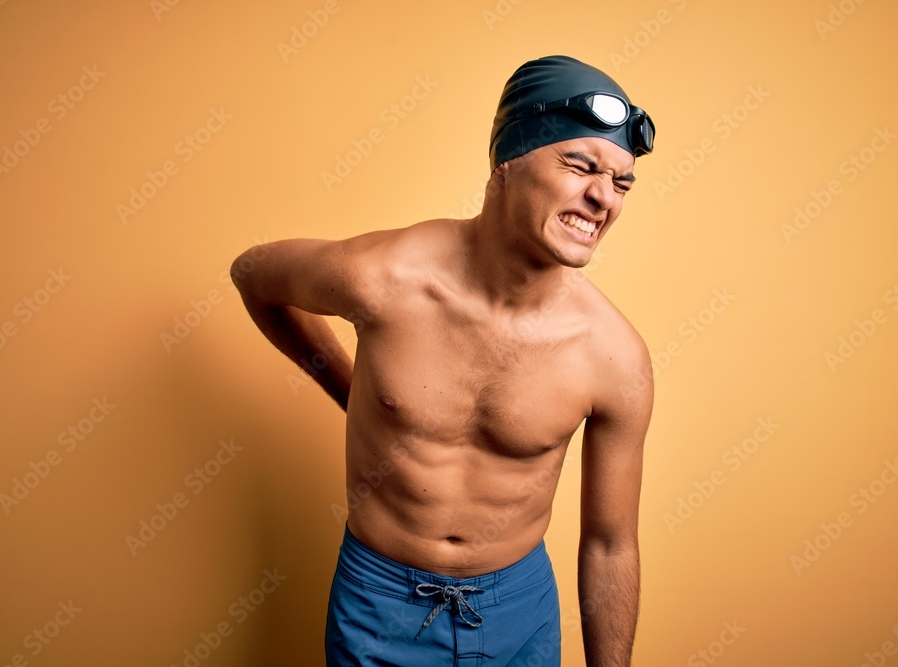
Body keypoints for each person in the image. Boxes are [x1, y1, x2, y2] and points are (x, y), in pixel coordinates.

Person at [231, 54, 656, 667]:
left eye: (621, 183)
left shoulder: (614, 357)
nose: (602, 198)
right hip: (379, 604)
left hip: (519, 611)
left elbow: (611, 546)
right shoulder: (385, 278)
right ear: (507, 161)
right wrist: (349, 389)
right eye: (581, 165)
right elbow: (252, 275)